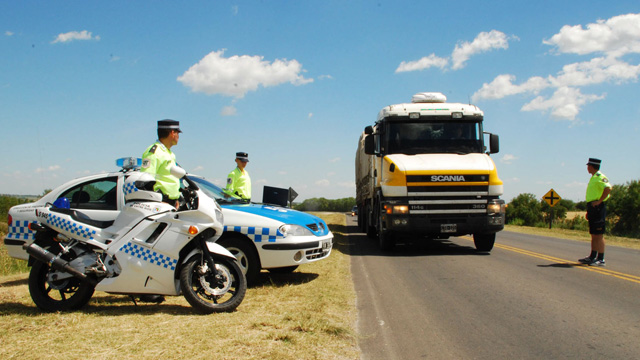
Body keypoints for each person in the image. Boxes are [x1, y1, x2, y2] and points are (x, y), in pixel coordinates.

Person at [141, 119, 182, 209]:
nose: (178, 136)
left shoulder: (169, 153)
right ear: (172, 133)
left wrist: (175, 199)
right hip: (160, 203)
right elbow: (146, 180)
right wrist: (158, 202)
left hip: (170, 203)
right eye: (177, 133)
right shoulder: (153, 152)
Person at [578, 158, 612, 266]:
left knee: (599, 234)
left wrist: (599, 201)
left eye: (588, 166)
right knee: (593, 233)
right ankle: (592, 256)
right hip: (593, 207)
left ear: (592, 166)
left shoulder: (600, 177)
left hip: (598, 207)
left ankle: (601, 259)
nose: (587, 168)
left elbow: (608, 188)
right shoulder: (593, 177)